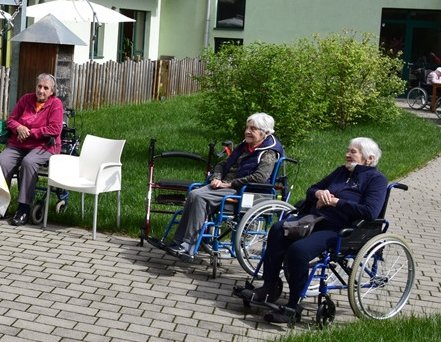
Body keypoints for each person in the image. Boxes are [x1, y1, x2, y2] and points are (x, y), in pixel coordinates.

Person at [240, 138, 387, 324]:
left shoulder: (377, 180)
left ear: (369, 158)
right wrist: (319, 194)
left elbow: (370, 212)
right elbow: (312, 188)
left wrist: (336, 202)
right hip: (314, 220)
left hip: (342, 229)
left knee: (299, 250)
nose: (347, 155)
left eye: (353, 152)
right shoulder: (342, 172)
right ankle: (269, 287)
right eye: (348, 150)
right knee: (278, 229)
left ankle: (293, 306)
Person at [161, 112, 284, 263]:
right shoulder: (244, 146)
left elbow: (259, 177)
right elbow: (222, 164)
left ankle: (189, 245)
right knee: (194, 193)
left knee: (198, 196)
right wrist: (217, 178)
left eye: (252, 129)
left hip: (244, 191)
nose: (247, 131)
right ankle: (179, 242)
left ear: (265, 132)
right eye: (247, 127)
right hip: (226, 185)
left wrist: (230, 183)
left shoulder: (269, 152)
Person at [0, 74, 63, 227]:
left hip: (43, 146)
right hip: (19, 144)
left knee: (28, 162)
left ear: (52, 91)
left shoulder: (56, 104)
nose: (41, 91)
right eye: (39, 86)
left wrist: (29, 132)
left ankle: (23, 208)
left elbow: (54, 129)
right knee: (2, 160)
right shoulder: (26, 99)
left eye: (46, 88)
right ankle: (0, 205)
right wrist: (19, 128)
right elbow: (11, 120)